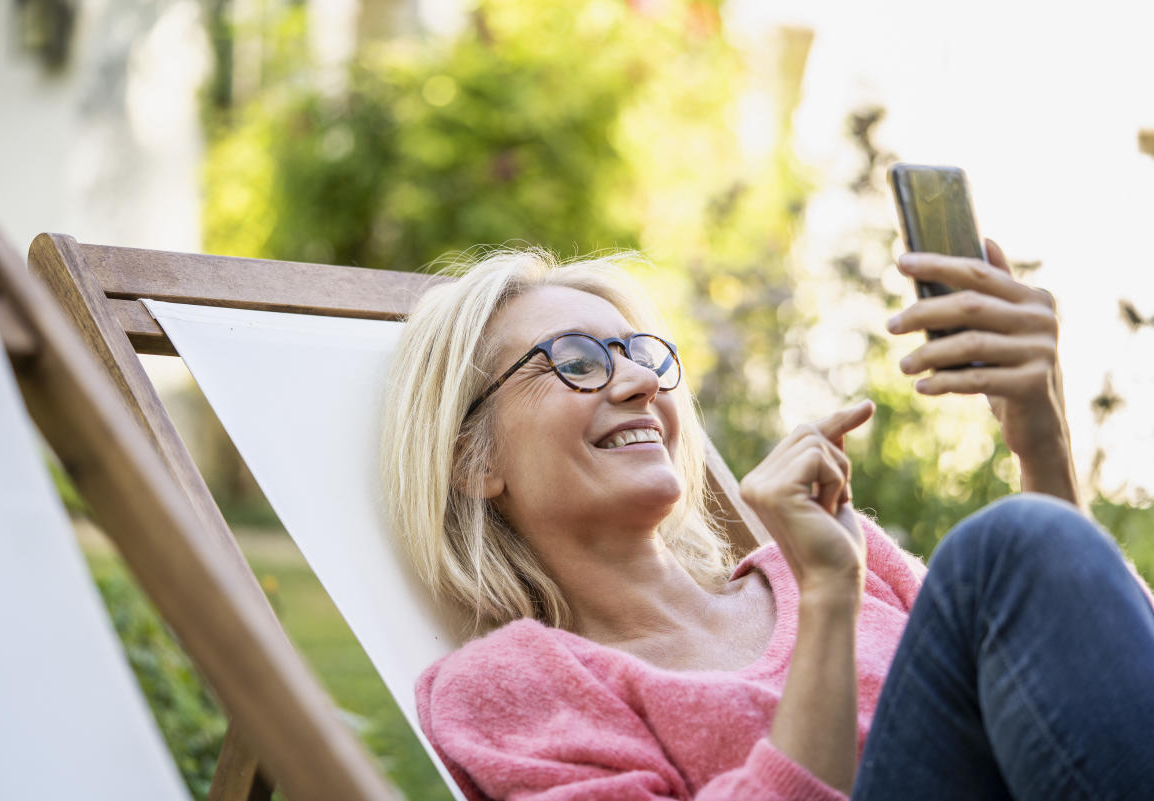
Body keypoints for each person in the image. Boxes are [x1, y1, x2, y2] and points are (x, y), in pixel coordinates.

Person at [379, 242, 1154, 801]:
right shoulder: (511, 686)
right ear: (472, 462)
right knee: (1006, 542)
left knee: (1019, 540)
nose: (642, 381)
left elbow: (1078, 702)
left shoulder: (835, 561)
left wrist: (1041, 443)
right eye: (578, 360)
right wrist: (826, 600)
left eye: (643, 354)